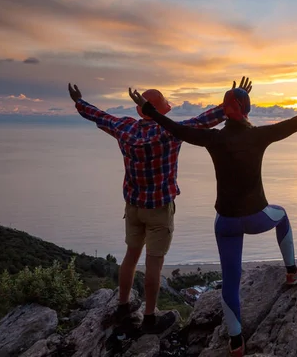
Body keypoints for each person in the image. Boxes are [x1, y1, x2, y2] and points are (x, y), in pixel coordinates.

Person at [129, 78, 297, 356]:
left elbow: (175, 128)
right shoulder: (258, 135)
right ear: (246, 110)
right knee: (281, 215)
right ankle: (292, 272)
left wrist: (149, 111)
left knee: (230, 280)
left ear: (225, 111)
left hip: (226, 222)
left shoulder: (213, 138)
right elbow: (296, 122)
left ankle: (236, 342)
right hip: (257, 217)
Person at [68, 80, 247, 333]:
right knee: (154, 264)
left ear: (140, 110)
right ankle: (150, 319)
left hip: (133, 206)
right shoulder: (170, 132)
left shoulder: (125, 128)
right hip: (160, 208)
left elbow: (101, 117)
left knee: (131, 256)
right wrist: (233, 101)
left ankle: (122, 305)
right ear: (161, 110)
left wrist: (79, 102)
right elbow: (204, 121)